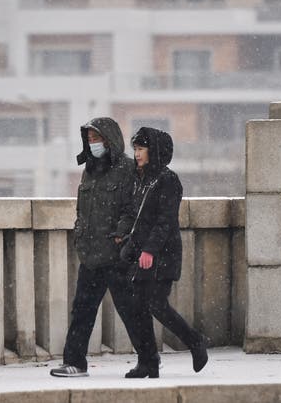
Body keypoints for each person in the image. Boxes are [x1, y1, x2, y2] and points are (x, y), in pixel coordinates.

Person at [50, 117, 153, 377]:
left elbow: (134, 208)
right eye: (90, 139)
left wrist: (121, 234)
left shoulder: (128, 169)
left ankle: (149, 358)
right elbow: (82, 211)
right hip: (90, 255)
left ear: (109, 140)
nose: (93, 143)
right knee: (82, 310)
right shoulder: (89, 170)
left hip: (117, 255)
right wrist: (80, 234)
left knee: (130, 310)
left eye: (97, 138)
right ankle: (74, 362)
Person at [123, 127, 208, 379]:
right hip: (141, 254)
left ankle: (195, 341)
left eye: (141, 149)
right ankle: (147, 361)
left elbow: (165, 220)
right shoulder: (141, 179)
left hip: (163, 254)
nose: (137, 154)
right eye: (135, 149)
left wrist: (150, 249)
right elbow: (136, 217)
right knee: (137, 308)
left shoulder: (167, 180)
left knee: (156, 305)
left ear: (154, 151)